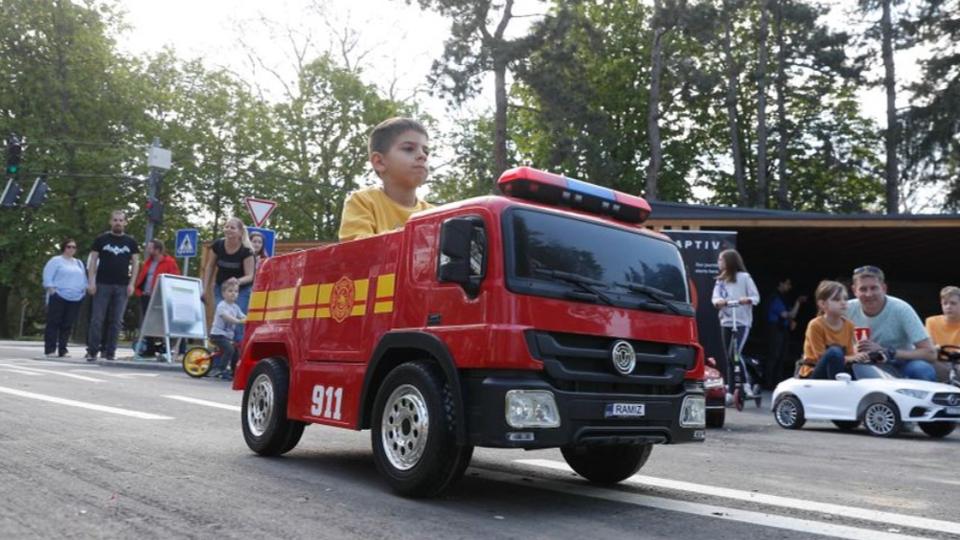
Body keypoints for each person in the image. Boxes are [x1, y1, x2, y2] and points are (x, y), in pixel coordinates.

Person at [338, 117, 433, 242]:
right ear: (379, 162)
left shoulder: (433, 214)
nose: (422, 156)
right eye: (409, 149)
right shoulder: (363, 202)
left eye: (426, 151)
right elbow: (356, 250)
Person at [847, 265, 937, 381]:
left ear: (884, 288)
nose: (869, 294)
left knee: (922, 369)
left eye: (874, 288)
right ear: (854, 290)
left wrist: (888, 352)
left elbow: (930, 353)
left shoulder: (901, 309)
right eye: (863, 289)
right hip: (861, 363)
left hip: (899, 363)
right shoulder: (846, 309)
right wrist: (853, 352)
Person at [85, 210, 140, 362]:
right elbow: (93, 261)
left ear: (125, 223)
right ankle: (92, 351)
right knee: (97, 319)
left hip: (122, 286)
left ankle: (110, 353)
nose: (118, 223)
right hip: (102, 284)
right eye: (115, 220)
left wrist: (132, 284)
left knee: (116, 320)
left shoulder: (130, 242)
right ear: (111, 222)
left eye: (121, 220)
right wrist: (91, 281)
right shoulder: (101, 239)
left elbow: (136, 263)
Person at [711, 249, 760, 399]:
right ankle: (731, 390)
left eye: (721, 259)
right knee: (729, 357)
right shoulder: (720, 281)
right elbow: (715, 298)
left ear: (729, 261)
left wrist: (747, 299)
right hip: (726, 320)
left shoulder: (744, 277)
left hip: (741, 322)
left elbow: (756, 297)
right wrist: (718, 302)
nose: (718, 262)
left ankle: (745, 383)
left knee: (735, 353)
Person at [797, 281, 868, 379]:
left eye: (845, 299)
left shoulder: (849, 326)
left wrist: (859, 356)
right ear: (822, 304)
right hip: (814, 372)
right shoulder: (815, 325)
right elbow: (820, 357)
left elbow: (850, 354)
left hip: (839, 370)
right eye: (836, 299)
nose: (843, 302)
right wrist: (850, 358)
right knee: (834, 352)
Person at [202, 217, 254, 343]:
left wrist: (237, 281)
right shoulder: (218, 245)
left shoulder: (246, 251)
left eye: (232, 228)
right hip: (222, 288)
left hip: (240, 290)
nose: (228, 230)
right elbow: (209, 266)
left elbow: (250, 275)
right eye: (227, 227)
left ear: (240, 232)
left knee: (237, 321)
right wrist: (205, 288)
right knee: (222, 318)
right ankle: (221, 353)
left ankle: (237, 352)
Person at [133, 239, 181, 356]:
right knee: (148, 322)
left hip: (161, 297)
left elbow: (175, 279)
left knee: (164, 322)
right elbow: (143, 277)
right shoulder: (148, 262)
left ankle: (169, 347)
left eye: (150, 248)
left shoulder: (169, 263)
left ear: (157, 250)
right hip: (147, 296)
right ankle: (149, 348)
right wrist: (139, 290)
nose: (148, 250)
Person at [41, 239, 87, 358]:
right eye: (69, 247)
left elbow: (83, 278)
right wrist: (51, 290)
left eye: (74, 247)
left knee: (67, 324)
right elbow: (47, 276)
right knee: (54, 322)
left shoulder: (78, 263)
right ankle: (50, 349)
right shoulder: (56, 261)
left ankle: (63, 349)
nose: (71, 249)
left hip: (75, 297)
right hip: (58, 295)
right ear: (64, 248)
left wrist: (83, 291)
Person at [765, 277, 805, 388]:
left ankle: (777, 381)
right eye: (787, 284)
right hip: (775, 330)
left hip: (782, 330)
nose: (789, 287)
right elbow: (788, 314)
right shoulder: (775, 298)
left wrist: (791, 321)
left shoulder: (784, 298)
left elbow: (791, 316)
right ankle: (769, 382)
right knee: (774, 356)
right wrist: (798, 302)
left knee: (781, 356)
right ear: (780, 284)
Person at [208, 279, 246, 380]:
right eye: (230, 291)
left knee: (236, 351)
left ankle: (234, 371)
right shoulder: (222, 305)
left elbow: (243, 316)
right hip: (217, 335)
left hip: (227, 336)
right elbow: (226, 317)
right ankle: (221, 369)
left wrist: (249, 319)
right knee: (230, 349)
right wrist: (237, 321)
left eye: (236, 291)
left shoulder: (235, 307)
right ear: (223, 293)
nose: (233, 294)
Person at [925, 285, 960, 381]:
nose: (948, 307)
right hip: (938, 362)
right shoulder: (931, 321)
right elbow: (929, 348)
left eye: (953, 303)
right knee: (922, 366)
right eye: (945, 303)